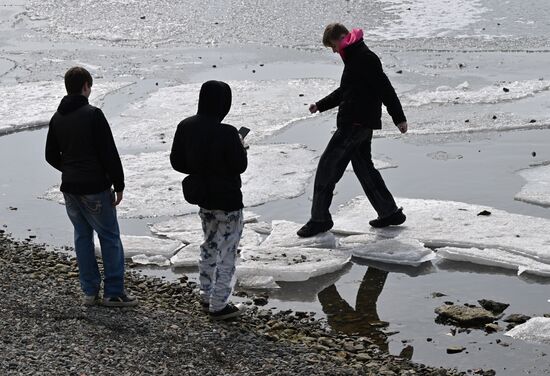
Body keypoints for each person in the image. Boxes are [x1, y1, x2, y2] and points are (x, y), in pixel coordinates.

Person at [297, 23, 408, 238]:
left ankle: (319, 219)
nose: (333, 51)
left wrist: (399, 117)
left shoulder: (365, 58)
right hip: (359, 124)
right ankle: (389, 212)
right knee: (364, 169)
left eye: (332, 46)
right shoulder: (356, 57)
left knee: (327, 169)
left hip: (355, 124)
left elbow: (385, 88)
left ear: (341, 38)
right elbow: (346, 91)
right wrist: (320, 105)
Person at [45, 67, 137, 307]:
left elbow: (50, 155)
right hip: (94, 186)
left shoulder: (57, 118)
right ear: (86, 86)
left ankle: (89, 291)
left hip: (70, 187)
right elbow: (108, 152)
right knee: (109, 236)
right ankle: (114, 292)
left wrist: (70, 169)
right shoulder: (93, 114)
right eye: (90, 86)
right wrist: (119, 183)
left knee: (82, 236)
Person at [170, 80, 248, 320]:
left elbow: (177, 162)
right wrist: (241, 147)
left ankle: (205, 295)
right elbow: (240, 166)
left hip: (203, 198)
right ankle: (219, 305)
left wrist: (199, 164)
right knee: (227, 251)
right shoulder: (226, 132)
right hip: (228, 201)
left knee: (209, 245)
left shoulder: (186, 126)